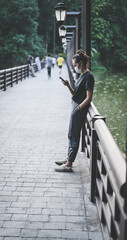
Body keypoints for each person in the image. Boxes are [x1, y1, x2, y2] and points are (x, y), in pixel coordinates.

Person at [55, 50, 94, 172]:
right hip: (76, 108)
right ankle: (68, 158)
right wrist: (68, 86)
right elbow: (76, 95)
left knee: (74, 136)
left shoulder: (88, 77)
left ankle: (69, 164)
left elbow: (89, 98)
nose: (75, 67)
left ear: (81, 63)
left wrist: (79, 108)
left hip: (79, 110)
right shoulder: (82, 76)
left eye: (75, 65)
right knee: (71, 134)